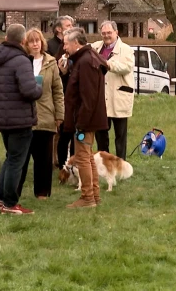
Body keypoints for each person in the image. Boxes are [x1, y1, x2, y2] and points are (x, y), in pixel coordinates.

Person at [0, 24, 43, 214]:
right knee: (17, 161)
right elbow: (28, 90)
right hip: (20, 118)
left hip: (1, 118)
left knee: (10, 158)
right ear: (23, 40)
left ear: (6, 37)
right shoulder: (21, 60)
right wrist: (39, 88)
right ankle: (10, 203)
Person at [60, 27, 109, 209]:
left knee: (82, 157)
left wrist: (81, 123)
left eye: (66, 44)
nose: (64, 48)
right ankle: (94, 195)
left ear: (76, 43)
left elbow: (88, 97)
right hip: (88, 119)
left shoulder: (86, 62)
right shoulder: (87, 59)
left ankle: (87, 197)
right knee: (87, 157)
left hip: (86, 120)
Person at [18, 28, 64, 200]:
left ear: (42, 42)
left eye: (38, 40)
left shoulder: (51, 62)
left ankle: (42, 193)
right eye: (31, 41)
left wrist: (59, 116)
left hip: (46, 116)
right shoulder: (21, 62)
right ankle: (14, 192)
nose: (35, 44)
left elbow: (58, 91)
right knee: (21, 158)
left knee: (44, 159)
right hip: (24, 116)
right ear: (26, 44)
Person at [91, 21, 135, 159]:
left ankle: (121, 164)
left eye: (109, 33)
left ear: (116, 33)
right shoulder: (95, 47)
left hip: (119, 97)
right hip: (100, 99)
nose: (106, 36)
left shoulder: (127, 49)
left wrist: (107, 64)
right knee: (101, 135)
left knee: (120, 136)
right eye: (103, 33)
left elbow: (126, 67)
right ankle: (104, 162)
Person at [48, 15, 75, 169]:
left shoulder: (73, 45)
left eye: (72, 25)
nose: (71, 27)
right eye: (68, 25)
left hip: (69, 90)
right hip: (58, 91)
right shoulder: (50, 46)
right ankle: (53, 158)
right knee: (58, 129)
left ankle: (68, 158)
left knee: (69, 130)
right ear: (58, 29)